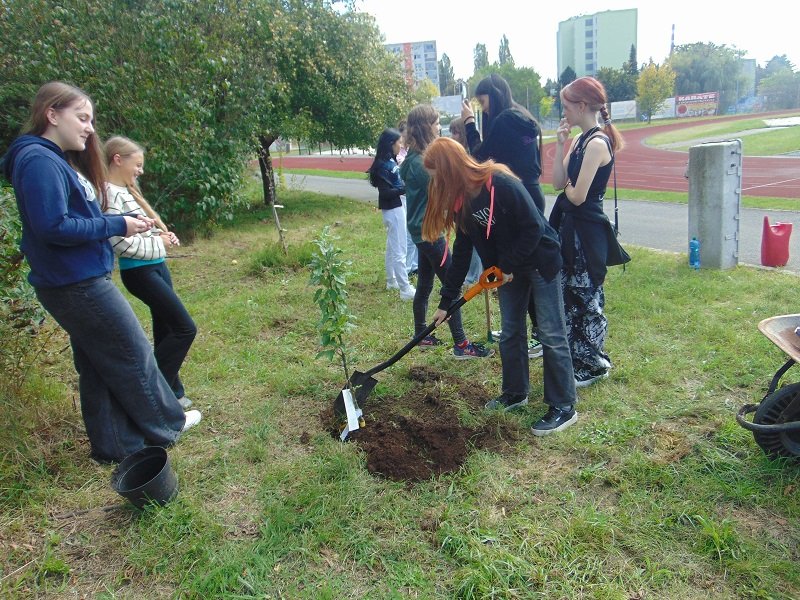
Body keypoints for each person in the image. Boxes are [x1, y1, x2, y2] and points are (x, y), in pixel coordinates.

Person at [0, 82, 200, 463]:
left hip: (72, 279)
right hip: (75, 282)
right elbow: (53, 227)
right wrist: (117, 224)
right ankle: (167, 424)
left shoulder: (51, 159)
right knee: (131, 350)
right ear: (52, 114)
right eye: (82, 118)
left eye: (90, 119)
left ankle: (114, 446)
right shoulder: (39, 160)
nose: (90, 128)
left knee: (96, 361)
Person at [423, 137, 578, 435]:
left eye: (437, 177)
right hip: (507, 269)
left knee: (550, 332)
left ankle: (563, 405)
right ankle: (515, 392)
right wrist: (446, 302)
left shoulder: (500, 183)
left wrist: (506, 267)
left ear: (449, 169)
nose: (436, 185)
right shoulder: (462, 203)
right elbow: (462, 252)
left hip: (540, 261)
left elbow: (534, 227)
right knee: (510, 332)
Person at [104, 136, 198, 409]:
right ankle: (151, 395)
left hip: (156, 267)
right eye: (137, 164)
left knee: (166, 330)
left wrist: (160, 235)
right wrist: (159, 243)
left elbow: (139, 232)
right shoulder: (109, 194)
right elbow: (120, 243)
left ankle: (174, 393)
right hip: (140, 273)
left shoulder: (126, 191)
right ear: (117, 159)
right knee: (185, 328)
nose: (141, 171)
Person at [462, 73, 546, 359]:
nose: (483, 109)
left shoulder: (503, 122)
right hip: (531, 192)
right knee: (523, 266)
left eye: (483, 102)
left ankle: (537, 333)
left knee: (523, 267)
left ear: (494, 95)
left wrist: (470, 124)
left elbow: (479, 157)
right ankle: (527, 330)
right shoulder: (524, 118)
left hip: (516, 198)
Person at [549, 76, 626, 388]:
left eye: (566, 106)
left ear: (581, 106)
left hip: (587, 233)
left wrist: (569, 186)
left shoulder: (596, 144)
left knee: (587, 298)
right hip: (570, 229)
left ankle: (594, 364)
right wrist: (559, 144)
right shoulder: (580, 140)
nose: (564, 112)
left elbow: (578, 196)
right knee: (569, 295)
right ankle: (577, 359)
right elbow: (557, 183)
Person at [399, 104, 492, 359]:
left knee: (425, 284)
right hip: (430, 234)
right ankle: (461, 344)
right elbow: (446, 188)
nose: (439, 128)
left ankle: (421, 334)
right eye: (437, 123)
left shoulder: (412, 159)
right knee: (452, 285)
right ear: (426, 127)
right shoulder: (421, 164)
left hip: (421, 232)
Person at [366, 128, 415, 300]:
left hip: (395, 208)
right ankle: (405, 288)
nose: (401, 146)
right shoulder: (382, 165)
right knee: (400, 249)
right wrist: (405, 188)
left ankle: (391, 280)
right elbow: (385, 193)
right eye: (399, 143)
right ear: (391, 144)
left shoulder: (388, 162)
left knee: (392, 246)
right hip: (393, 209)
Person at [449, 117, 482, 287]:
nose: (452, 136)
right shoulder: (456, 154)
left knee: (474, 240)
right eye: (451, 132)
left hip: (470, 205)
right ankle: (472, 274)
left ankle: (473, 276)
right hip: (458, 204)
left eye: (455, 132)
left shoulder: (471, 155)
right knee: (464, 241)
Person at [396, 119, 418, 277]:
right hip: (404, 197)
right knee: (409, 234)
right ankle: (408, 266)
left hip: (411, 195)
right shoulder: (400, 154)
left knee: (414, 233)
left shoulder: (412, 151)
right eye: (405, 134)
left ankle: (415, 264)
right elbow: (403, 171)